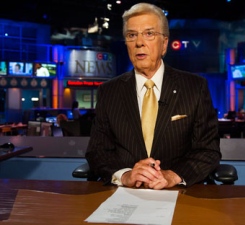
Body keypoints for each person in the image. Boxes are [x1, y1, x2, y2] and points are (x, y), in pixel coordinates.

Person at [85, 3, 221, 190]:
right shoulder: (109, 91)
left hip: (177, 194)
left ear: (164, 44)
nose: (139, 42)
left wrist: (172, 176)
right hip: (125, 194)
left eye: (149, 34)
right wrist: (125, 175)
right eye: (132, 35)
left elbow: (208, 151)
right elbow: (97, 152)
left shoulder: (194, 87)